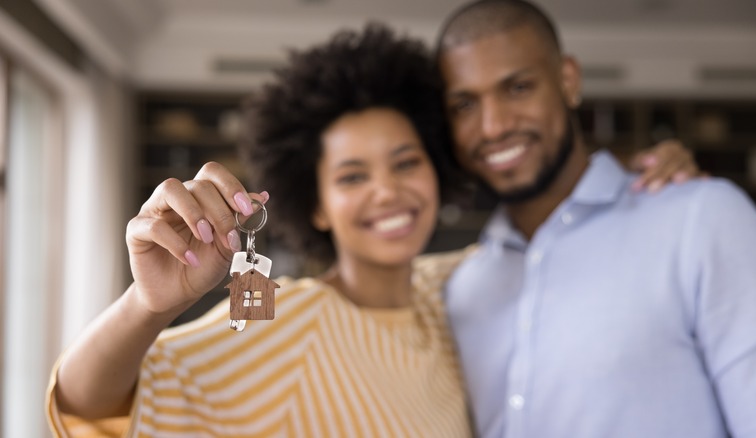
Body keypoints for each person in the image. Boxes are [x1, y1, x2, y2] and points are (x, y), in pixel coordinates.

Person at [46, 22, 699, 438]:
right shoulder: (285, 315)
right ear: (317, 203)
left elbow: (568, 238)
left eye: (406, 162)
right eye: (353, 175)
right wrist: (147, 306)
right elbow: (89, 407)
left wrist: (640, 182)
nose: (387, 191)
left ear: (438, 175)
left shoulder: (457, 283)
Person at [435, 1, 756, 437]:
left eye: (518, 88)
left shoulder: (700, 221)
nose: (494, 126)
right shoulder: (462, 291)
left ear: (568, 81)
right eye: (464, 104)